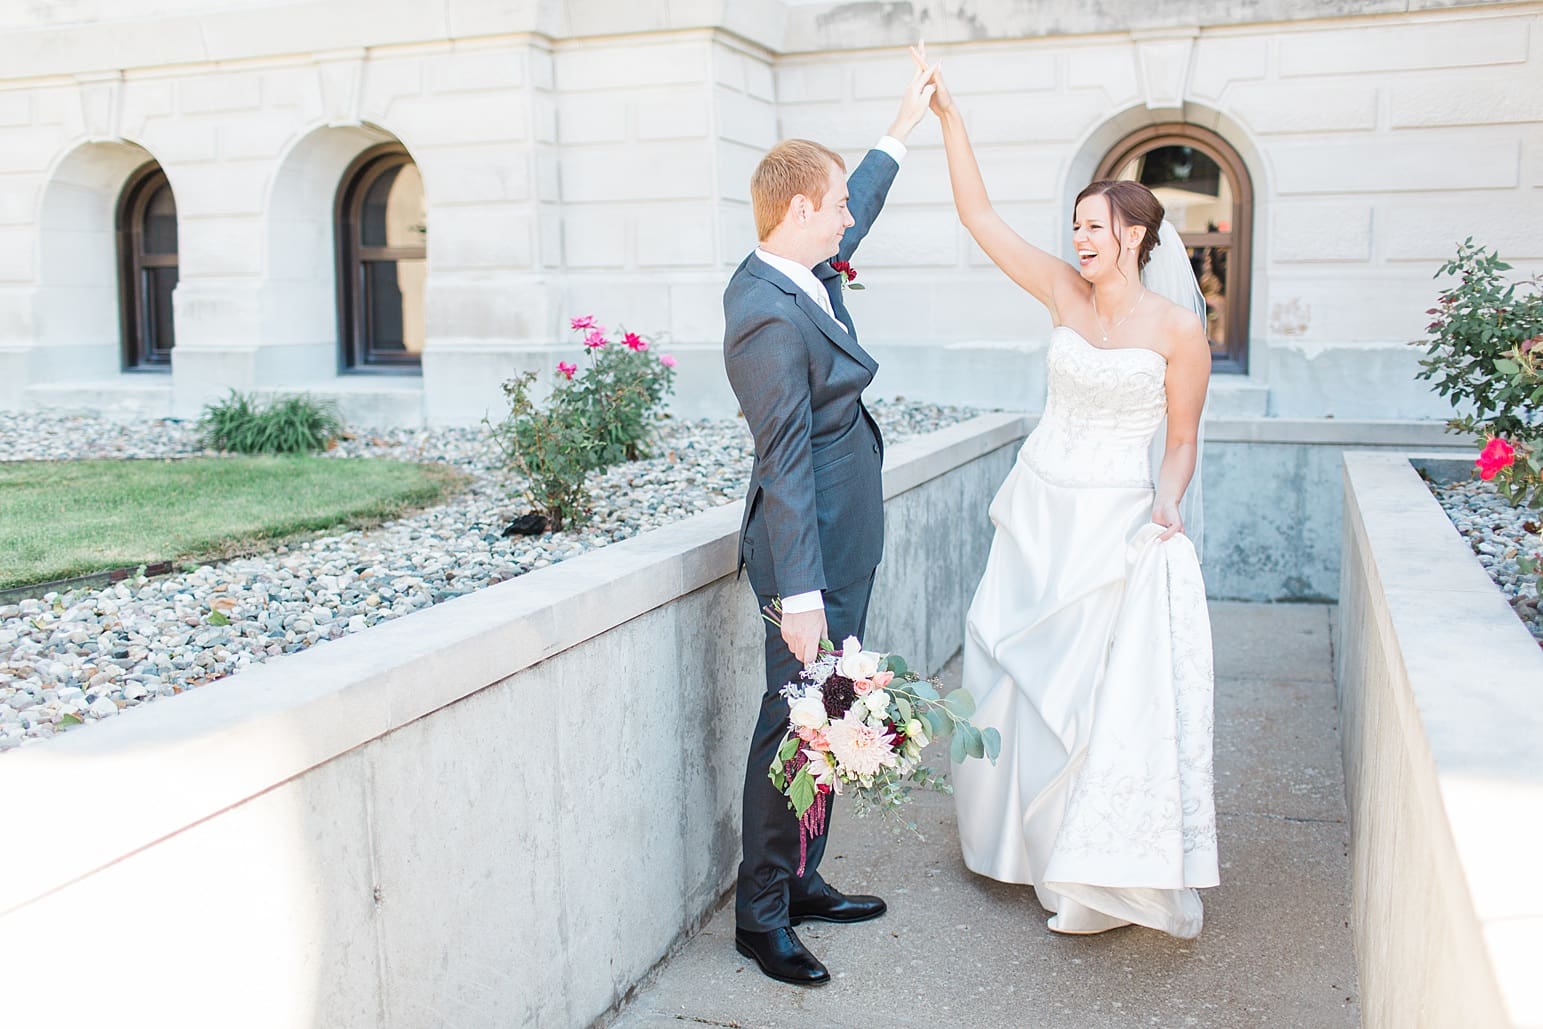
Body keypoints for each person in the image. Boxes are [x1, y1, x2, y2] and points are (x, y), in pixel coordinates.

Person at [916, 45, 1220, 939]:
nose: (1078, 238)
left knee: (1087, 689)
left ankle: (1083, 854)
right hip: (1038, 509)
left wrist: (1166, 503)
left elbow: (1181, 439)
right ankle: (1009, 843)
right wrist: (949, 120)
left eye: (1093, 226)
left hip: (1110, 520)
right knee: (1006, 666)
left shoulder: (1174, 330)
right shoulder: (1057, 288)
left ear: (1131, 233)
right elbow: (978, 217)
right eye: (1076, 225)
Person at [721, 61, 939, 985]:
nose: (851, 215)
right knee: (793, 719)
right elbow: (786, 464)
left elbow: (867, 203)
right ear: (802, 208)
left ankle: (804, 877)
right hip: (804, 558)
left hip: (846, 538)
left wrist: (902, 127)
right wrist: (800, 595)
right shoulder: (765, 315)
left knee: (833, 710)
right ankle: (760, 914)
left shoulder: (803, 265)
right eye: (839, 203)